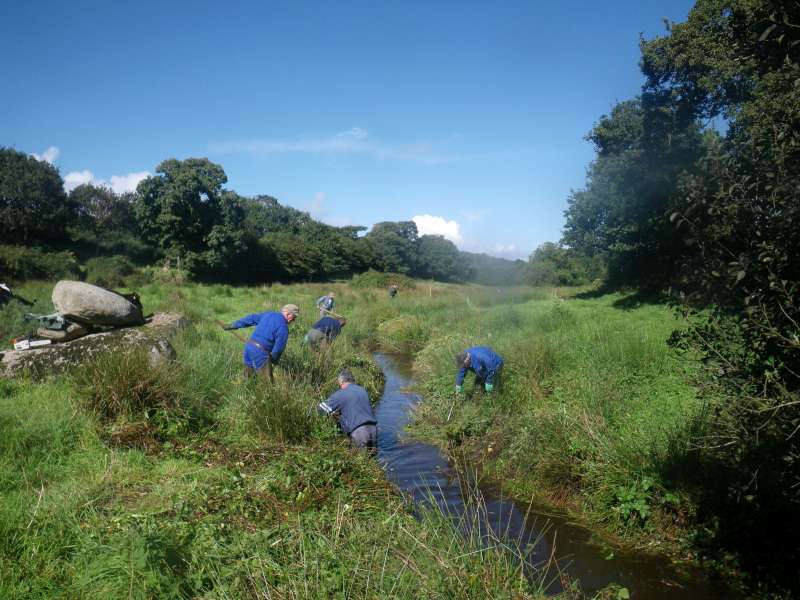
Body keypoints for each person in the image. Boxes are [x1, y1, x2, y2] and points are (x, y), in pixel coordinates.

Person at [224, 304, 299, 380]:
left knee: (247, 378)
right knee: (267, 384)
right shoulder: (283, 327)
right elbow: (278, 349)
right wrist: (272, 361)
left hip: (248, 347)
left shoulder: (268, 314)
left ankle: (243, 389)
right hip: (260, 353)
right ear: (289, 314)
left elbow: (251, 318)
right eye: (294, 318)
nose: (293, 320)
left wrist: (233, 325)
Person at [318, 368, 377, 450]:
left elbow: (321, 410)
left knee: (358, 461)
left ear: (341, 381)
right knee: (372, 460)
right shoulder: (362, 390)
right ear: (352, 380)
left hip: (359, 432)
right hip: (373, 429)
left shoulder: (340, 394)